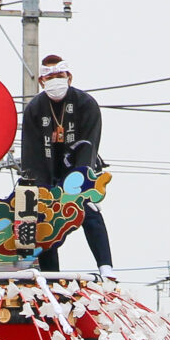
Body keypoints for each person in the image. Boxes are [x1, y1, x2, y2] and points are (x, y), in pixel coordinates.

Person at [17, 55, 113, 274]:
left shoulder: (86, 104)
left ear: (69, 77)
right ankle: (50, 274)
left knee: (88, 209)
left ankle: (106, 266)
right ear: (41, 81)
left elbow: (89, 144)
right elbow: (31, 154)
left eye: (59, 76)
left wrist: (78, 181)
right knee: (43, 218)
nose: (55, 80)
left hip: (79, 171)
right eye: (49, 77)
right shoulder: (34, 109)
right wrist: (40, 189)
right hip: (46, 174)